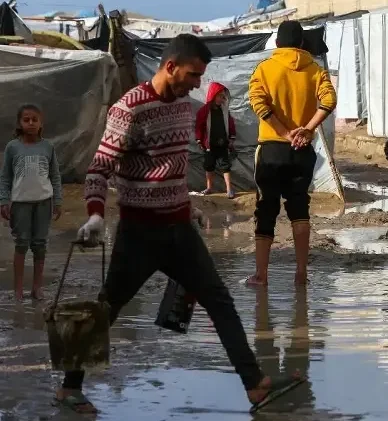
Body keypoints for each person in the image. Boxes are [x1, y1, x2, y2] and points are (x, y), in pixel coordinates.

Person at [62, 34, 294, 415]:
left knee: (219, 301)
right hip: (139, 232)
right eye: (192, 74)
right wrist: (94, 214)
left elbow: (171, 167)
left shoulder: (185, 106)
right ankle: (69, 388)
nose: (197, 84)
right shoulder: (129, 109)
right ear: (170, 66)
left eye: (201, 76)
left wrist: (188, 205)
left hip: (179, 229)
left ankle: (255, 385)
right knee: (108, 308)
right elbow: (99, 168)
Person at [247, 20, 337, 285]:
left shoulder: (265, 69)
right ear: (301, 44)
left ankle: (261, 275)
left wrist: (284, 133)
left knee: (266, 209)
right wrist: (307, 130)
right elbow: (329, 101)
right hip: (302, 151)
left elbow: (257, 102)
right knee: (299, 208)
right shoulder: (315, 70)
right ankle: (301, 273)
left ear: (276, 44)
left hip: (271, 150)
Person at [0, 104, 62, 301]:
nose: (30, 123)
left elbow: (55, 176)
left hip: (44, 202)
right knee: (21, 244)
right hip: (20, 203)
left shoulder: (47, 147)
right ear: (20, 123)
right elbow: (5, 177)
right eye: (26, 120)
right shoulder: (13, 147)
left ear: (41, 123)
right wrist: (3, 200)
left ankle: (37, 288)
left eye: (34, 119)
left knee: (40, 244)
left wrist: (58, 201)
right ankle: (18, 290)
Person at [195, 81, 236, 199]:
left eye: (224, 97)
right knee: (209, 166)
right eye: (220, 96)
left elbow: (230, 124)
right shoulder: (204, 111)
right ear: (213, 95)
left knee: (225, 166)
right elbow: (199, 126)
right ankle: (209, 188)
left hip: (223, 143)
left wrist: (232, 137)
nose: (223, 99)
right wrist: (199, 140)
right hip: (209, 145)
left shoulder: (224, 111)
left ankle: (229, 189)